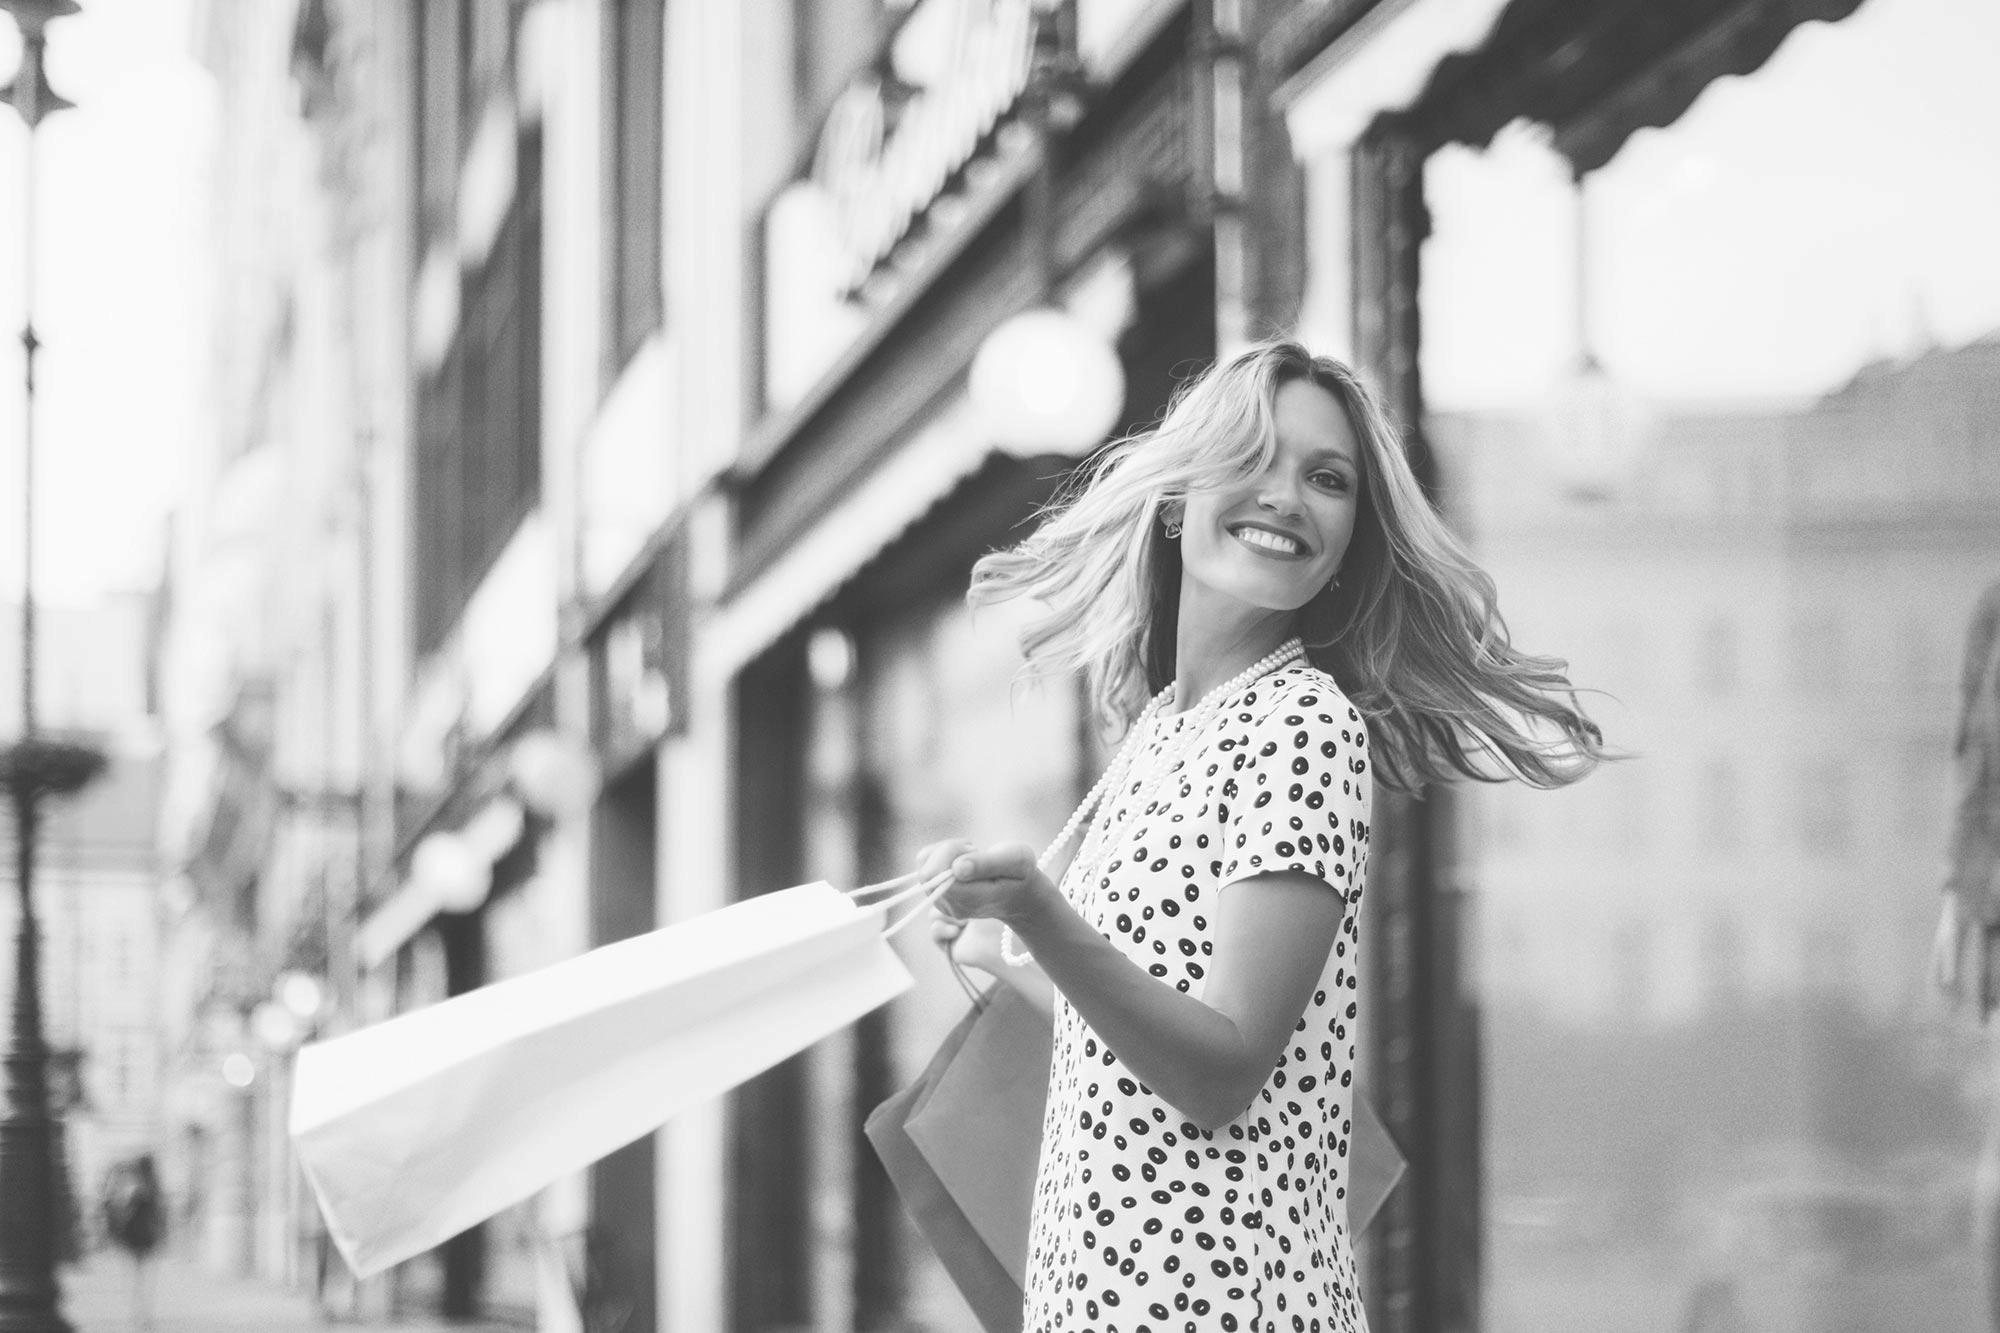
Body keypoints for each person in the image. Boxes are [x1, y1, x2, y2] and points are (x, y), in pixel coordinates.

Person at [918, 341, 1605, 1333]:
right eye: (1251, 458)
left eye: (1326, 479)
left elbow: (1220, 1067)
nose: (1286, 495)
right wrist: (1001, 939)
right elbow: (1137, 1034)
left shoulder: (1300, 725)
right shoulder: (1161, 731)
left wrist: (1039, 912)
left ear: (1348, 538)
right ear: (1172, 499)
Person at [101, 1152, 165, 1330]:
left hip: (134, 1239)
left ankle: (138, 1315)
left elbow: (120, 1213)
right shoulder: (153, 1187)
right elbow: (158, 1215)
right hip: (146, 1238)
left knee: (135, 1279)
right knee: (144, 1279)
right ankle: (143, 1315)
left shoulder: (134, 1188)